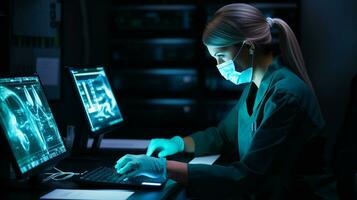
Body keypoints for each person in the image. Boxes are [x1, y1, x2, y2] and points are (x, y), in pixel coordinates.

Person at [115, 3, 336, 199]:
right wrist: (178, 143)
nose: (219, 66)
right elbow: (223, 135)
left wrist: (163, 167)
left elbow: (246, 176)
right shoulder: (258, 84)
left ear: (248, 46)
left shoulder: (286, 95)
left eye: (221, 56)